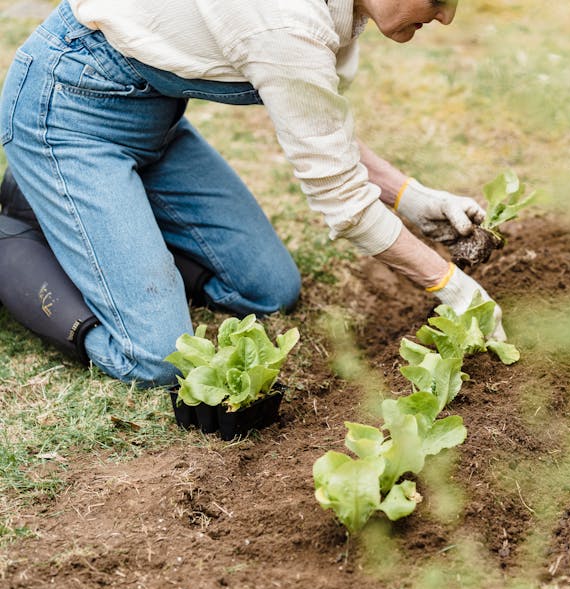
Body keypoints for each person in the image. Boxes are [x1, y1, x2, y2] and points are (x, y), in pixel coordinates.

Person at [0, 0, 505, 388]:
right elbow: (343, 205)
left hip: (154, 123)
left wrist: (412, 198)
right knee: (158, 357)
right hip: (66, 115)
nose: (445, 17)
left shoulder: (335, 13)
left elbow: (315, 126)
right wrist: (449, 286)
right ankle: (18, 233)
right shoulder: (284, 21)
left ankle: (77, 207)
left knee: (268, 291)